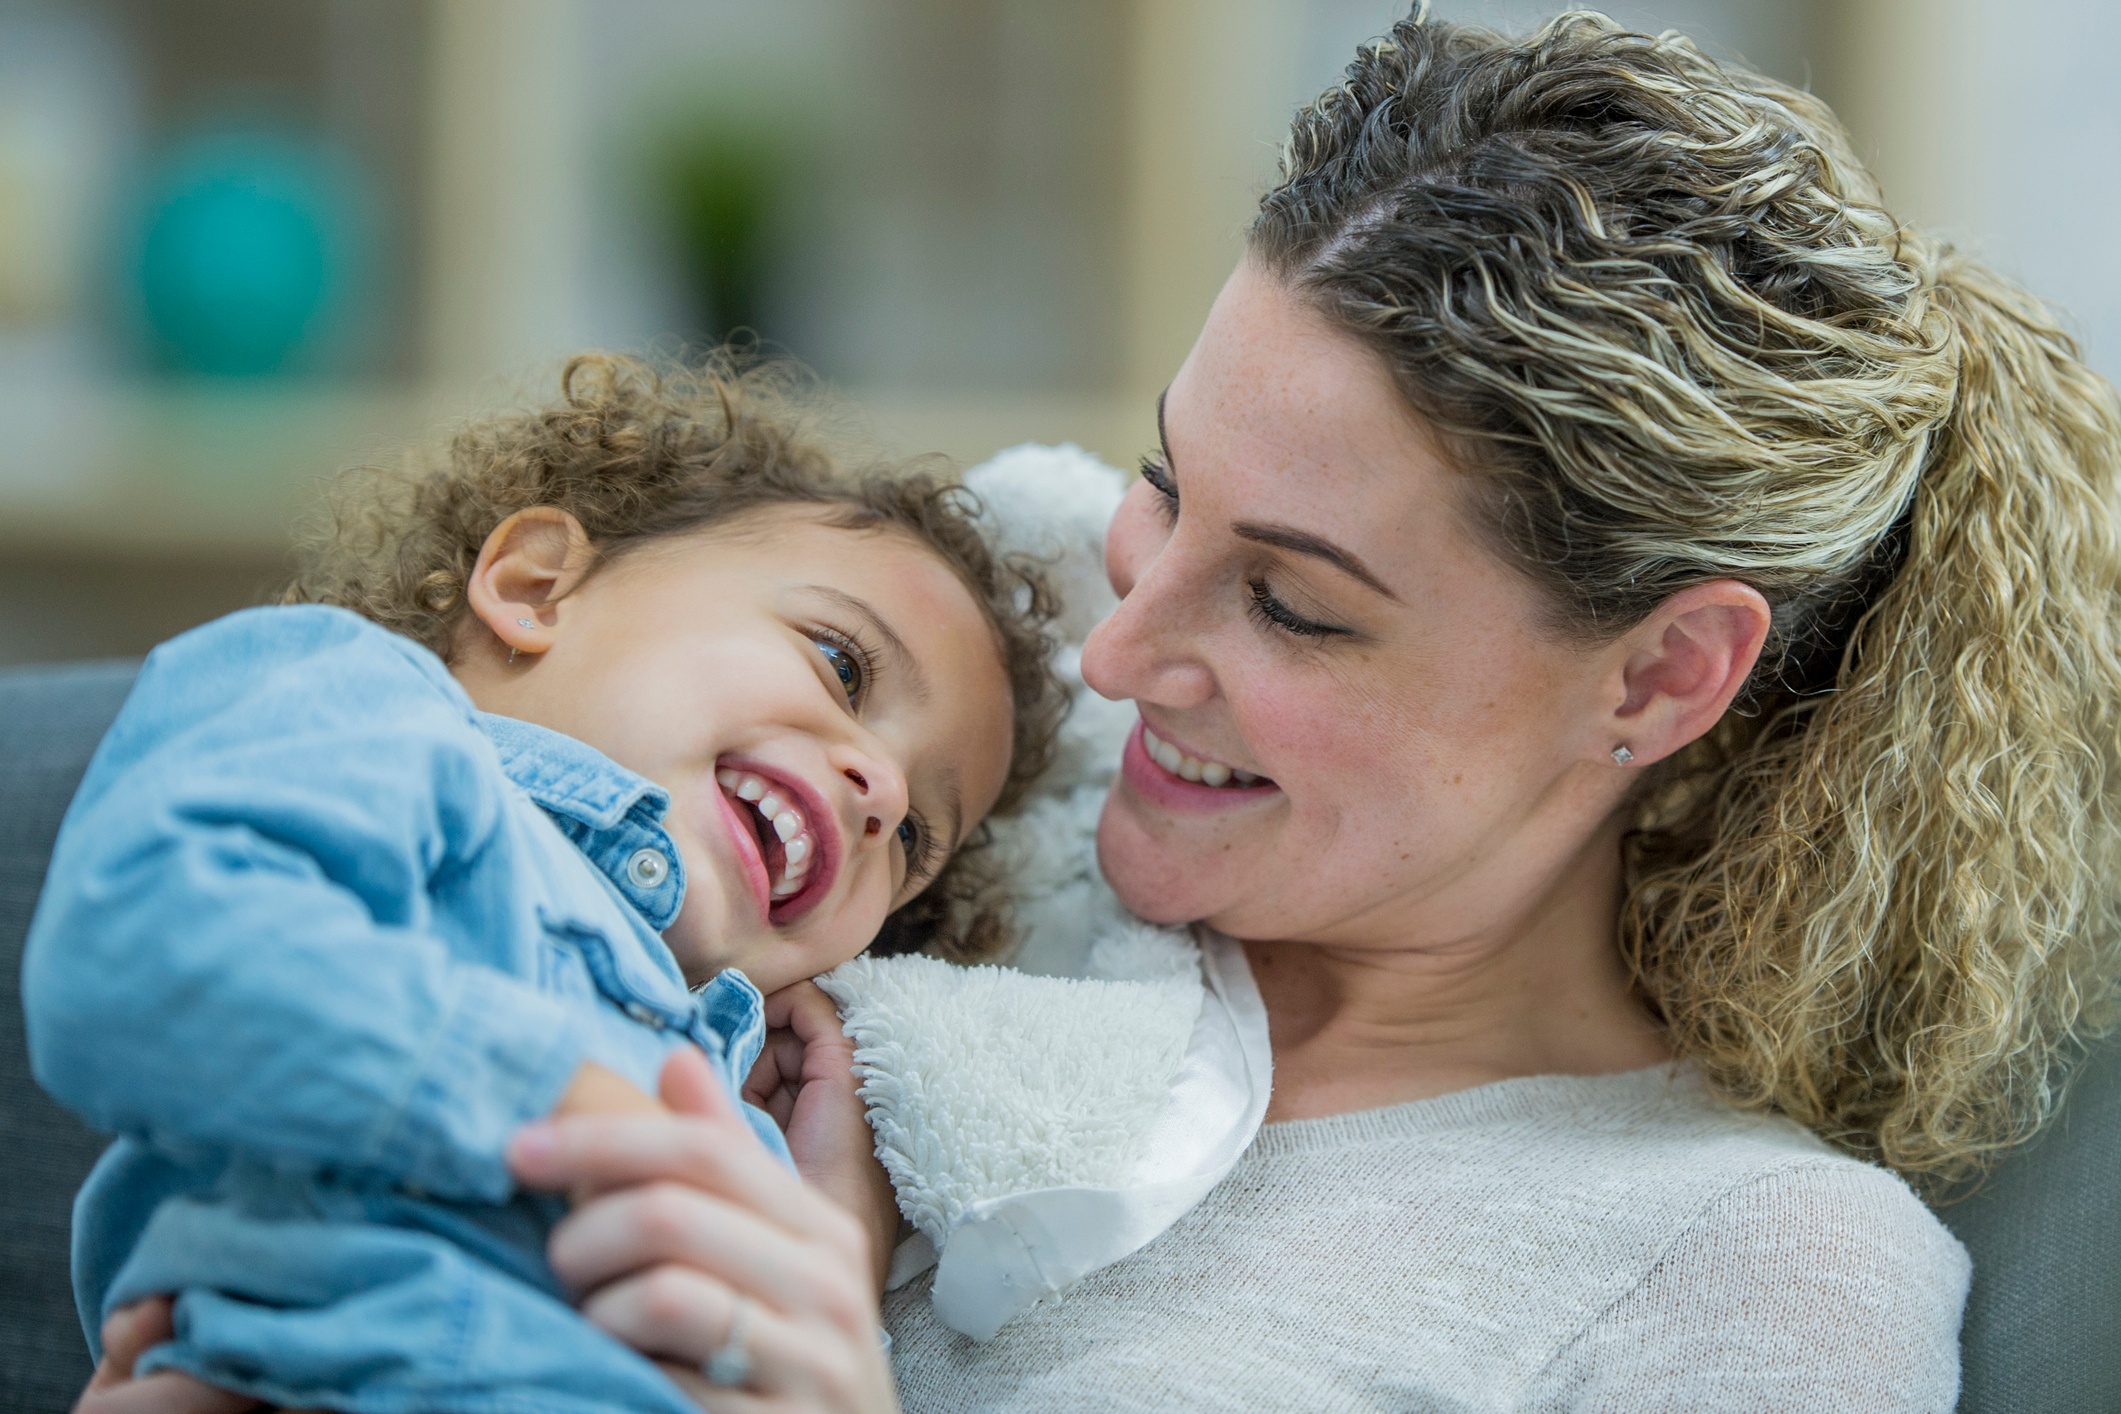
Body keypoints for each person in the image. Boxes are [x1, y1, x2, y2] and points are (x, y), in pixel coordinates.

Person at [78, 9, 2121, 1413]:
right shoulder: (939, 903)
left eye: (1295, 606)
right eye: (1165, 487)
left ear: (1659, 675)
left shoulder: (1749, 1267)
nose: (1121, 650)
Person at [27, 353, 1062, 1413]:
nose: (881, 788)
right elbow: (142, 943)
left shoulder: (740, 1125)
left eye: (915, 839)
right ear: (533, 587)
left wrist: (829, 1248)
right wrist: (564, 1109)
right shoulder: (367, 713)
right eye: (843, 665)